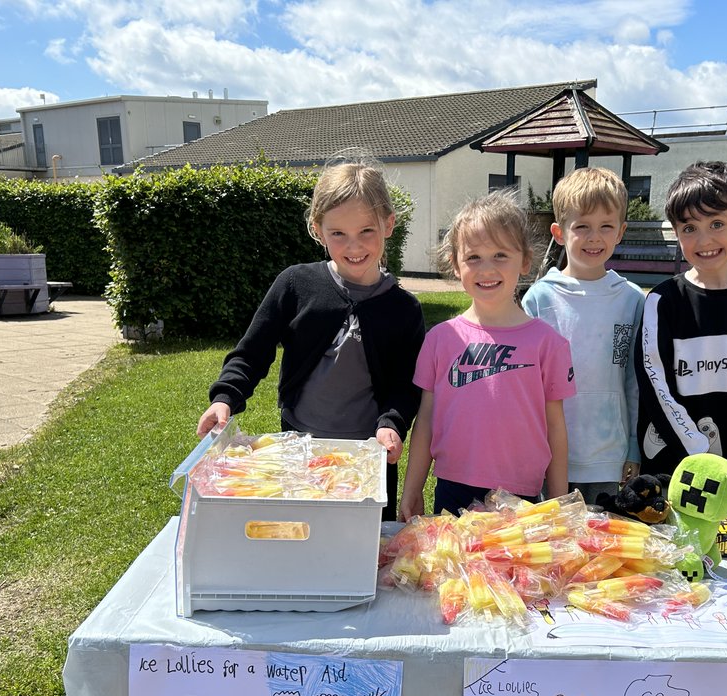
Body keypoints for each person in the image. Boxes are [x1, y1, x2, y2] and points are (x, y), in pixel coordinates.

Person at [196, 160, 425, 520]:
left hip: (369, 456)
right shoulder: (295, 284)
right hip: (298, 450)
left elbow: (405, 385)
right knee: (301, 539)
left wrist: (391, 424)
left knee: (363, 554)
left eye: (367, 231)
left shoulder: (405, 309)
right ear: (318, 230)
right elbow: (252, 352)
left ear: (389, 225)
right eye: (338, 234)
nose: (354, 247)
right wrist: (226, 397)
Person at [399, 192, 574, 519]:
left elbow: (555, 428)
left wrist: (559, 503)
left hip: (521, 495)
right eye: (474, 257)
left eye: (500, 255)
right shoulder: (440, 340)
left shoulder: (548, 343)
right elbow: (425, 422)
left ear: (524, 261)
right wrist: (412, 490)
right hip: (453, 488)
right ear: (455, 264)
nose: (486, 268)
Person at [635, 160, 727, 484]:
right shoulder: (663, 302)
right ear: (675, 232)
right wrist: (701, 454)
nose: (704, 240)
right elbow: (655, 385)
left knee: (725, 537)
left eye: (716, 224)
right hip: (670, 467)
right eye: (690, 228)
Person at [522, 167, 644, 506]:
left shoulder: (632, 299)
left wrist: (633, 446)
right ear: (559, 233)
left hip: (610, 457)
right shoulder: (539, 298)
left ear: (620, 231)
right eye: (583, 227)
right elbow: (528, 385)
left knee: (601, 549)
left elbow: (635, 382)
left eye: (606, 226)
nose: (595, 237)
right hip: (550, 455)